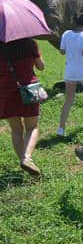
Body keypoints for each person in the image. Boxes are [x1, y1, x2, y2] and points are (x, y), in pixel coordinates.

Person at [0, 38, 45, 176]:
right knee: (32, 127)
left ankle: (23, 162)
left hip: (5, 91)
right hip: (29, 88)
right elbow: (41, 66)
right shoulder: (30, 43)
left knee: (16, 129)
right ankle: (27, 158)